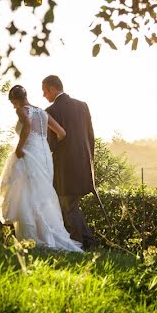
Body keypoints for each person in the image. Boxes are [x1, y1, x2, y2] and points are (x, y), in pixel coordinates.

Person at [0, 85, 83, 252]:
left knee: (26, 193)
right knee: (41, 193)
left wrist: (19, 148)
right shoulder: (43, 113)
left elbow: (26, 126)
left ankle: (32, 236)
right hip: (44, 155)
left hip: (28, 152)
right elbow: (61, 133)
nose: (13, 105)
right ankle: (46, 233)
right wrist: (47, 145)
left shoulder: (21, 110)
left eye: (12, 102)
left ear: (15, 100)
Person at [42, 75, 100, 250]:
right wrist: (90, 161)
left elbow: (51, 143)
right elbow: (91, 137)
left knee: (68, 205)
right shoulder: (82, 106)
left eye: (45, 91)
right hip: (83, 163)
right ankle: (87, 242)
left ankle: (82, 244)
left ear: (53, 89)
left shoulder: (51, 111)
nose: (44, 95)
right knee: (71, 205)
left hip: (64, 166)